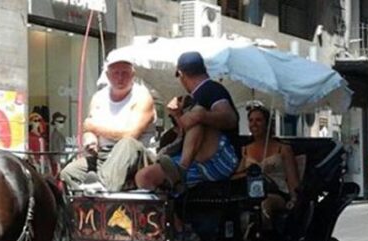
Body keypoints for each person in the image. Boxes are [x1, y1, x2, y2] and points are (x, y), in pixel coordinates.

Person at [134, 51, 240, 192]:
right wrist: (178, 115)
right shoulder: (196, 95)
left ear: (181, 74)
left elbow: (231, 119)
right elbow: (187, 132)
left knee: (197, 114)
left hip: (221, 159)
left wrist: (201, 116)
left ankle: (181, 169)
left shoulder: (211, 89)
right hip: (198, 161)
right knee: (145, 177)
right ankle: (168, 208)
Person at [58, 56, 156, 192]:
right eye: (116, 73)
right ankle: (83, 202)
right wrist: (90, 139)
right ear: (108, 75)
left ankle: (104, 187)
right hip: (103, 155)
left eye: (125, 73)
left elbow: (130, 134)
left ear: (133, 75)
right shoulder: (98, 97)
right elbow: (88, 129)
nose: (120, 78)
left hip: (134, 157)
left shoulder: (142, 96)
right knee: (68, 173)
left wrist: (95, 128)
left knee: (127, 142)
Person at [233, 103, 299, 223]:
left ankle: (266, 238)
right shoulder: (245, 150)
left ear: (268, 124)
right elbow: (237, 176)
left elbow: (292, 179)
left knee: (264, 205)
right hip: (252, 193)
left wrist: (294, 200)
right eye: (251, 120)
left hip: (276, 193)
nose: (254, 124)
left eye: (259, 120)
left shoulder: (283, 149)